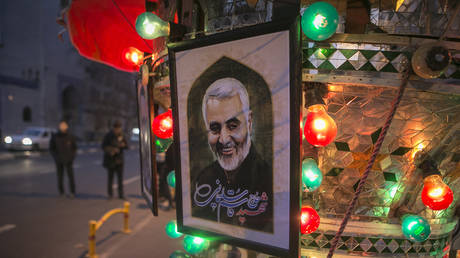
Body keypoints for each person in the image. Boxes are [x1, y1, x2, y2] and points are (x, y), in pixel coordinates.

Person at [192, 77, 273, 233]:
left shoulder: (270, 180)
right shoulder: (204, 179)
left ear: (249, 122)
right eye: (215, 128)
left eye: (233, 126)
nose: (223, 139)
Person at [49, 121, 77, 198]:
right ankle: (61, 192)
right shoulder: (55, 137)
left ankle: (72, 192)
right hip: (59, 160)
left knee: (71, 176)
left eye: (64, 128)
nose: (63, 130)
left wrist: (72, 157)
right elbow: (52, 149)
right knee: (60, 177)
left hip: (69, 160)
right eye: (62, 128)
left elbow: (74, 148)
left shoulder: (70, 136)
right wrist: (56, 158)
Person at [102, 121, 128, 199]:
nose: (118, 130)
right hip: (111, 160)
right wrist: (111, 150)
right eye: (116, 128)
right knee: (110, 178)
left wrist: (123, 145)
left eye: (119, 128)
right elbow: (103, 146)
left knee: (120, 179)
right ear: (114, 128)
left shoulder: (122, 135)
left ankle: (121, 195)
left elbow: (127, 146)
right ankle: (110, 194)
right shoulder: (108, 135)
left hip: (120, 160)